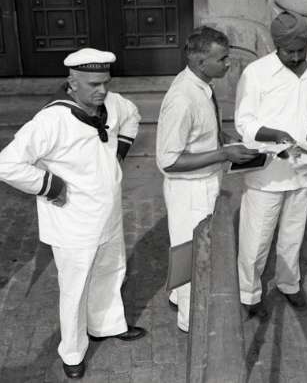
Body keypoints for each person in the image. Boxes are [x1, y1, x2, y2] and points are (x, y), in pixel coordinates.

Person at [0, 48, 146, 379]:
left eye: (106, 82)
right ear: (72, 82)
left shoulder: (113, 103)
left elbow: (133, 114)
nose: (103, 91)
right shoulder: (51, 120)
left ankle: (107, 325)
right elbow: (7, 164)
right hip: (73, 222)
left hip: (108, 213)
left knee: (111, 270)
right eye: (94, 84)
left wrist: (119, 153)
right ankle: (72, 351)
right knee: (75, 288)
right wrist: (49, 185)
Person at [156, 26, 259, 333]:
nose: (228, 64)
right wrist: (223, 154)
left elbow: (201, 133)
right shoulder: (182, 99)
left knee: (191, 249)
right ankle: (192, 323)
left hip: (204, 183)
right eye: (222, 59)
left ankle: (178, 298)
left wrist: (226, 141)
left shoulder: (202, 85)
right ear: (201, 62)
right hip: (190, 190)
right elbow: (168, 161)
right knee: (193, 254)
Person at [235, 11, 307, 318]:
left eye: (300, 50)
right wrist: (274, 135)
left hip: (304, 169)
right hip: (267, 174)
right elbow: (244, 122)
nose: (295, 57)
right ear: (275, 45)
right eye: (288, 51)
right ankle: (249, 293)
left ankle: (289, 283)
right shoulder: (256, 73)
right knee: (256, 238)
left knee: (293, 234)